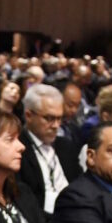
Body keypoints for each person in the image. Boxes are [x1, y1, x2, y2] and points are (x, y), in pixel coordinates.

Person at [17, 83, 82, 216]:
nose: (56, 126)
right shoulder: (18, 149)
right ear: (29, 116)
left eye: (59, 119)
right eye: (49, 118)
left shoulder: (67, 147)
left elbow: (80, 185)